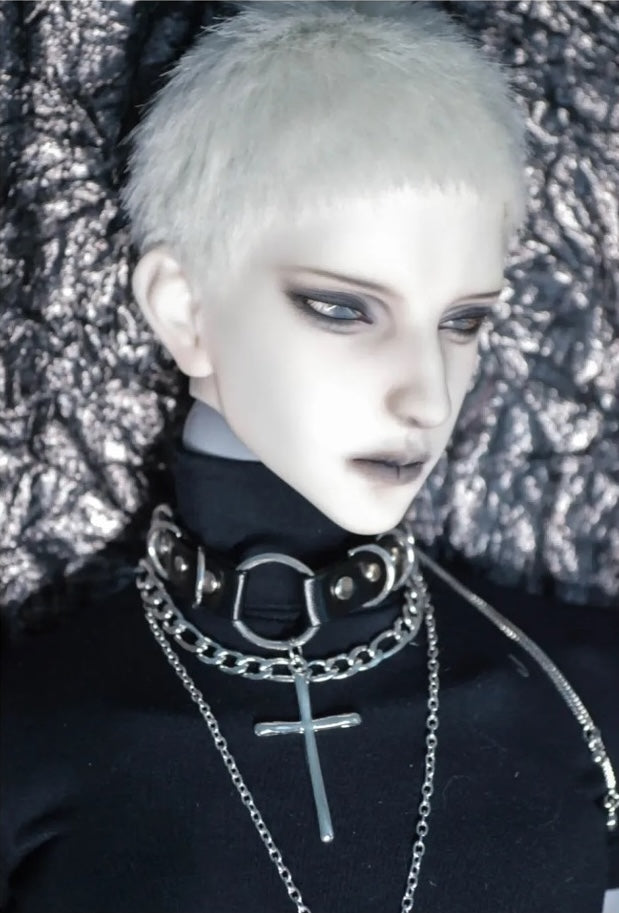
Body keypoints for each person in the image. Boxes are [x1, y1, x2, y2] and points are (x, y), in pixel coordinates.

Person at [1, 3, 617, 912]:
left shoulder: (585, 702)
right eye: (341, 309)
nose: (425, 396)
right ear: (184, 310)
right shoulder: (30, 738)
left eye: (461, 322)